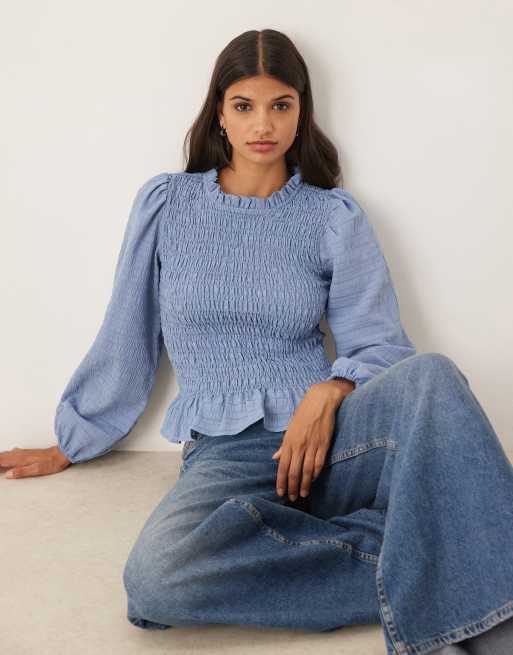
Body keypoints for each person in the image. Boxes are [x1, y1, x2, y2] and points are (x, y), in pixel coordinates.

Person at [2, 28, 513, 655]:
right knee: (158, 582)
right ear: (220, 112)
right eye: (244, 105)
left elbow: (381, 342)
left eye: (281, 105)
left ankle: (467, 577)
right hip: (229, 454)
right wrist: (73, 441)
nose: (263, 125)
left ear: (301, 112)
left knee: (433, 375)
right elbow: (127, 333)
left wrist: (331, 391)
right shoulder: (167, 204)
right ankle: (451, 553)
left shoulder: (333, 215)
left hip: (333, 439)